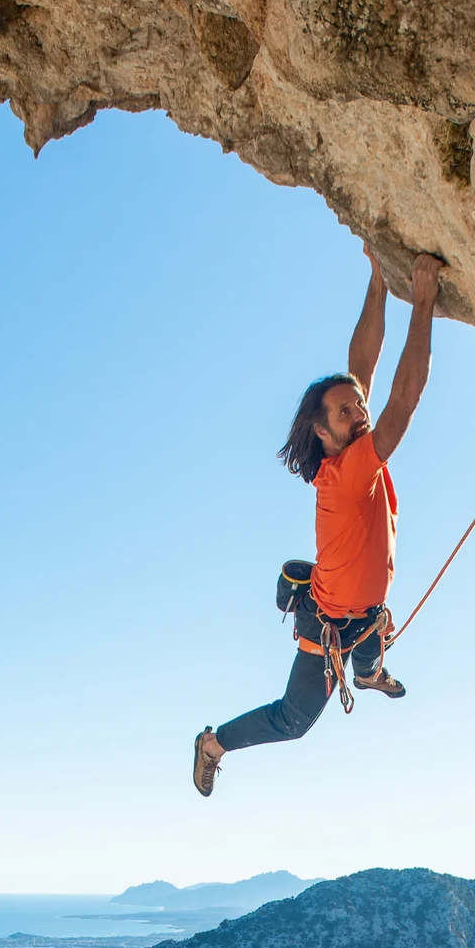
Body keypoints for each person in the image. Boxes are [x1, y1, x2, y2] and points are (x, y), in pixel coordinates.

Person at [194, 248, 443, 797]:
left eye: (357, 406)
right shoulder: (350, 470)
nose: (361, 411)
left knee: (371, 640)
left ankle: (368, 672)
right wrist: (423, 301)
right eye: (346, 411)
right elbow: (402, 400)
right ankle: (213, 744)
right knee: (294, 720)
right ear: (324, 435)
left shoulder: (347, 451)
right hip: (331, 624)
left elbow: (363, 366)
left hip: (364, 612)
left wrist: (379, 279)